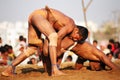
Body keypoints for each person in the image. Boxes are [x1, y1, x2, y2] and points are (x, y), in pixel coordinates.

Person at [2, 6, 83, 76]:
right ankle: (55, 70)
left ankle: (9, 69)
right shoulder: (71, 25)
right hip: (39, 15)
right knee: (53, 36)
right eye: (77, 37)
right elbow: (58, 37)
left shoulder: (64, 25)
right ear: (76, 30)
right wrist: (58, 52)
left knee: (32, 49)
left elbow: (51, 41)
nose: (74, 39)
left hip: (35, 17)